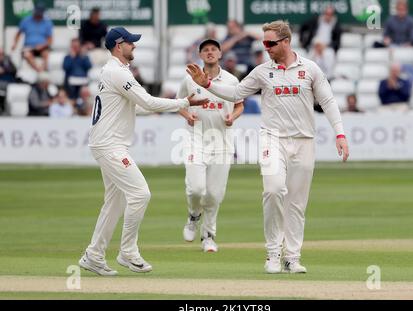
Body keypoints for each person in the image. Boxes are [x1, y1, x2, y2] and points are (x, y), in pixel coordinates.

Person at [187, 20, 349, 274]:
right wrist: (208, 85)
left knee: (296, 203)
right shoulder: (262, 71)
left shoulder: (310, 69)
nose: (266, 47)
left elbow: (327, 101)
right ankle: (273, 253)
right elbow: (236, 92)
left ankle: (292, 257)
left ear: (286, 41)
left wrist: (340, 133)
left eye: (271, 43)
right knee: (273, 191)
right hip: (272, 139)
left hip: (304, 141)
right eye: (264, 43)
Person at [78, 27, 207, 276]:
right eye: (130, 43)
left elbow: (136, 108)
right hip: (109, 145)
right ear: (118, 45)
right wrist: (182, 102)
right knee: (140, 193)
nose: (134, 46)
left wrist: (173, 105)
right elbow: (147, 101)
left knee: (114, 203)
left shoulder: (118, 71)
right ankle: (127, 252)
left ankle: (94, 255)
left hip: (107, 143)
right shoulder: (117, 72)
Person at [177, 39, 244, 253]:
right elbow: (179, 102)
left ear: (220, 53)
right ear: (200, 55)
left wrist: (232, 117)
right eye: (205, 50)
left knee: (214, 194)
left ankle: (208, 236)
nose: (210, 52)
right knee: (196, 188)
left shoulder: (232, 80)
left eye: (214, 49)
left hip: (222, 142)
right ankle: (193, 215)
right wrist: (187, 115)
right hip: (195, 139)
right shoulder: (189, 79)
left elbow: (239, 104)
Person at [11, 3, 53, 72]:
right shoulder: (26, 20)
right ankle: (38, 70)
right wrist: (15, 44)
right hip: (29, 47)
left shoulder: (47, 22)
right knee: (27, 54)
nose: (38, 14)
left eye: (40, 12)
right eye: (37, 12)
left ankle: (44, 71)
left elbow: (50, 40)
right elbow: (18, 34)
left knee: (46, 54)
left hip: (42, 48)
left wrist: (42, 46)